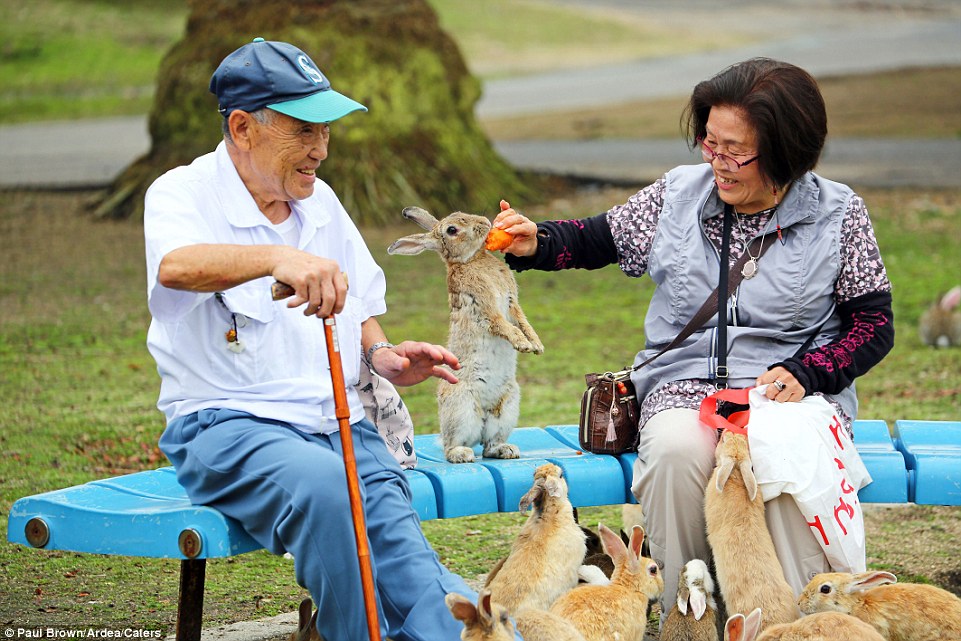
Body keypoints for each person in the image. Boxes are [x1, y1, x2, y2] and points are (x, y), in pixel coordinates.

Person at [494, 58, 894, 615]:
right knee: (677, 453)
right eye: (709, 144)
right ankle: (694, 615)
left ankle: (800, 621)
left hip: (788, 396)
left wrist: (809, 373)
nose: (718, 163)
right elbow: (596, 238)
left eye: (737, 151)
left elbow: (874, 324)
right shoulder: (679, 194)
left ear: (787, 153)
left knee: (775, 463)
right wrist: (535, 243)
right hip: (684, 385)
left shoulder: (840, 213)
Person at [144, 38, 491, 641]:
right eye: (305, 130)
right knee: (332, 495)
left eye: (326, 131)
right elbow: (176, 267)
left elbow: (358, 308)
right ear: (243, 126)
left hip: (342, 427)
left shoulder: (321, 203)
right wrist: (276, 257)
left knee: (419, 577)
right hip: (226, 427)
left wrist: (383, 356)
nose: (321, 150)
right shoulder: (181, 193)